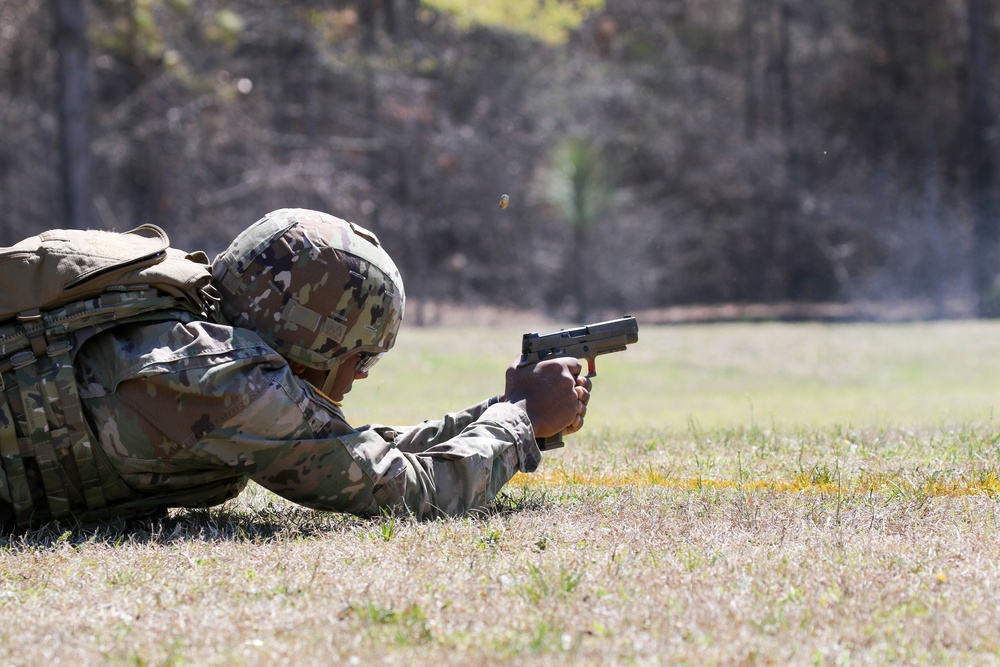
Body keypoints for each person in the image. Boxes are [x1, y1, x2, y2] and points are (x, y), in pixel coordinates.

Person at [0, 208, 590, 532]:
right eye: (360, 357)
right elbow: (401, 489)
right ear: (312, 339)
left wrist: (500, 411)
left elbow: (344, 445)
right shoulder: (230, 382)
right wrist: (522, 421)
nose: (359, 377)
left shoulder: (192, 333)